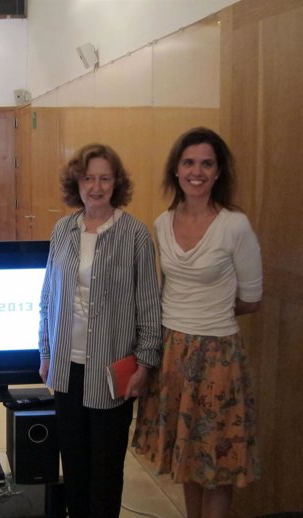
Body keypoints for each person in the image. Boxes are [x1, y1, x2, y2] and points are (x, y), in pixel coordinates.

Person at [132, 127, 262, 518]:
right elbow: (164, 290)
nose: (197, 171)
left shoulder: (234, 225)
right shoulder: (161, 222)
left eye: (207, 164)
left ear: (219, 172)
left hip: (218, 355)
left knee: (218, 462)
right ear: (176, 169)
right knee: (187, 457)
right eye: (189, 162)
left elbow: (252, 299)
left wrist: (209, 315)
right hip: (173, 351)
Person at [38, 143, 162, 517]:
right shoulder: (63, 229)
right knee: (74, 467)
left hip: (112, 371)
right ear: (76, 182)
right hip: (66, 366)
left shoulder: (135, 234)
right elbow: (47, 297)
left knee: (106, 472)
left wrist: (146, 363)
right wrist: (44, 352)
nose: (95, 186)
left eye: (104, 178)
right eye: (88, 177)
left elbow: (149, 304)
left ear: (116, 183)